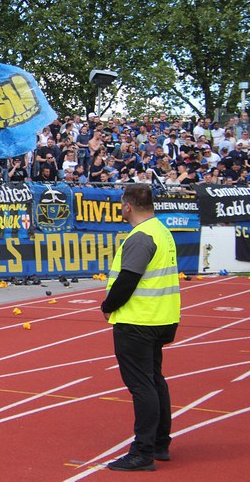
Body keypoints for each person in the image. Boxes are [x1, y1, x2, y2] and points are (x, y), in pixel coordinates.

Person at [100, 183, 181, 472]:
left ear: (128, 205)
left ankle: (143, 450)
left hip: (138, 320)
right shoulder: (161, 230)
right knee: (154, 380)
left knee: (142, 385)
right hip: (161, 317)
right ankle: (160, 442)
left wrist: (108, 305)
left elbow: (128, 279)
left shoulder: (141, 236)